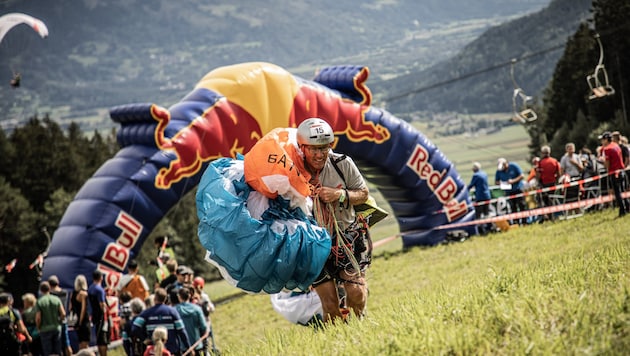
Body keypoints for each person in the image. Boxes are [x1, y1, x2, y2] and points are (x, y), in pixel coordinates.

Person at [295, 117, 371, 323]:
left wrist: (340, 195)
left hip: (346, 236)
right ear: (302, 147)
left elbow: (363, 194)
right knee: (330, 305)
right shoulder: (292, 170)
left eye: (324, 148)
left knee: (356, 293)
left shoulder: (342, 163)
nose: (319, 154)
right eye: (313, 149)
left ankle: (362, 323)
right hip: (312, 245)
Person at [131, 288, 190, 356]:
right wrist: (188, 347)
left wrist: (144, 339)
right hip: (172, 349)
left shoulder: (146, 313)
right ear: (165, 299)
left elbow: (134, 328)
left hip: (153, 350)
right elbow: (181, 331)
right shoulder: (172, 312)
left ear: (154, 298)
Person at [598, 131, 628, 217]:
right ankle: (627, 206)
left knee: (617, 192)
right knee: (623, 190)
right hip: (621, 170)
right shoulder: (616, 145)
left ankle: (622, 210)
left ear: (606, 140)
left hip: (614, 172)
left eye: (603, 140)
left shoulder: (607, 149)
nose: (602, 142)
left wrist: (602, 162)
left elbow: (607, 164)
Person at [35, 281, 65, 356]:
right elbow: (63, 313)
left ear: (41, 290)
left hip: (44, 329)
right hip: (56, 327)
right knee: (58, 351)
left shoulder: (40, 301)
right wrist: (59, 321)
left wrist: (38, 327)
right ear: (49, 289)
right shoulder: (56, 299)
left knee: (47, 352)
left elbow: (38, 317)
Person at [175, 288, 207, 356]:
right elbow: (203, 326)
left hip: (183, 346)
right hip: (197, 344)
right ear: (189, 296)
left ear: (179, 297)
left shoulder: (175, 310)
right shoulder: (197, 309)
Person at [495, 157, 527, 224]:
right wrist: (502, 183)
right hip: (509, 191)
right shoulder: (499, 171)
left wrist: (513, 181)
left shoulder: (514, 166)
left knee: (521, 205)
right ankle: (516, 222)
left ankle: (524, 221)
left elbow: (522, 176)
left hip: (518, 189)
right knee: (513, 207)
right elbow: (496, 181)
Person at [48, 275, 73, 356]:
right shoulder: (64, 292)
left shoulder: (50, 294)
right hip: (63, 319)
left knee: (56, 345)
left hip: (54, 321)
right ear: (57, 283)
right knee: (66, 342)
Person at [537, 146, 561, 222]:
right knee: (552, 200)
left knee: (545, 201)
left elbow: (538, 174)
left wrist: (538, 182)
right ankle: (552, 216)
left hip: (544, 184)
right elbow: (559, 173)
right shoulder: (554, 161)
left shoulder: (540, 163)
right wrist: (556, 180)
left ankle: (547, 217)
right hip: (553, 183)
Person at [88, 270, 109, 356]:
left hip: (94, 315)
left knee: (98, 336)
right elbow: (102, 304)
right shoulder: (100, 290)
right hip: (101, 317)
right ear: (101, 278)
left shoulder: (91, 288)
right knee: (102, 339)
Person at [467, 162, 492, 234]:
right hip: (487, 195)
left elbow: (471, 185)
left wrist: (465, 191)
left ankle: (480, 230)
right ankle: (489, 228)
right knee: (486, 213)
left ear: (475, 169)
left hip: (480, 196)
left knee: (478, 214)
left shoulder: (476, 175)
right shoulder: (484, 174)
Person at [70, 274, 91, 351]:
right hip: (84, 321)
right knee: (85, 345)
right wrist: (80, 322)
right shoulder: (83, 294)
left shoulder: (73, 293)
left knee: (80, 344)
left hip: (76, 321)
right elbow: (83, 309)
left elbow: (70, 307)